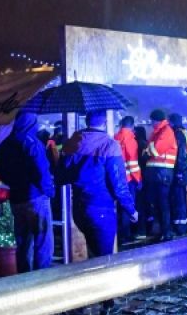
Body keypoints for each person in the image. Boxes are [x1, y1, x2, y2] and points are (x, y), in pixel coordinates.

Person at [56, 110, 137, 259]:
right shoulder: (109, 145)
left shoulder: (72, 143)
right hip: (101, 208)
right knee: (104, 261)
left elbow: (61, 177)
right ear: (105, 123)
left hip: (78, 208)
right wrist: (131, 210)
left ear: (87, 121)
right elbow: (119, 185)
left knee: (93, 255)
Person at [0, 111, 55, 272]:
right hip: (35, 198)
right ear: (31, 123)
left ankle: (24, 278)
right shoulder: (32, 143)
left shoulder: (4, 145)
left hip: (16, 198)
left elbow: (1, 173)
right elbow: (42, 171)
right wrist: (49, 191)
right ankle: (42, 278)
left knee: (23, 242)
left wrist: (15, 184)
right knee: (43, 242)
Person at [143, 109, 177, 241]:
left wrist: (147, 152)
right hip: (157, 172)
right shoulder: (157, 132)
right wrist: (148, 151)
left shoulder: (166, 131)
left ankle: (166, 232)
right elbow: (149, 149)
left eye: (152, 121)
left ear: (157, 120)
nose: (151, 123)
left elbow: (155, 150)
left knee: (163, 203)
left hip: (163, 172)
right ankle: (163, 231)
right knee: (157, 202)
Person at [113, 115, 143, 243]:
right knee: (127, 205)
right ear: (132, 126)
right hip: (129, 178)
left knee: (118, 206)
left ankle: (119, 234)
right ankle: (126, 235)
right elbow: (132, 162)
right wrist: (138, 179)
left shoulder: (115, 137)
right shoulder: (130, 139)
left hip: (116, 177)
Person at [168, 113, 187, 236]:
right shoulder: (184, 132)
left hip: (180, 171)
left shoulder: (178, 134)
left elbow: (181, 154)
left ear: (172, 122)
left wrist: (179, 171)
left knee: (178, 199)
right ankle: (184, 225)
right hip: (184, 170)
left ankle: (180, 227)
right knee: (181, 198)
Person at [133, 124, 151, 239]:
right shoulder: (146, 144)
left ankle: (141, 230)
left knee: (139, 204)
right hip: (146, 177)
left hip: (139, 177)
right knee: (146, 203)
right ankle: (148, 227)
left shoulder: (138, 144)